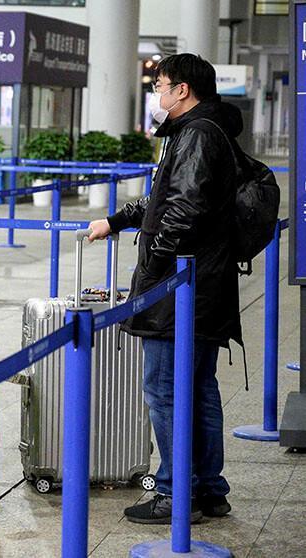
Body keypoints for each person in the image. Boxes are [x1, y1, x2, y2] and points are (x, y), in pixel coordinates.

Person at [88, 53, 241, 523]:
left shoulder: (196, 133)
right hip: (207, 280)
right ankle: (209, 489)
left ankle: (175, 493)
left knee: (164, 388)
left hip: (181, 286)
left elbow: (183, 208)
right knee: (199, 386)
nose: (157, 92)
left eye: (160, 85)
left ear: (182, 90)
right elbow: (163, 198)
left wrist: (154, 268)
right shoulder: (205, 129)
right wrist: (117, 220)